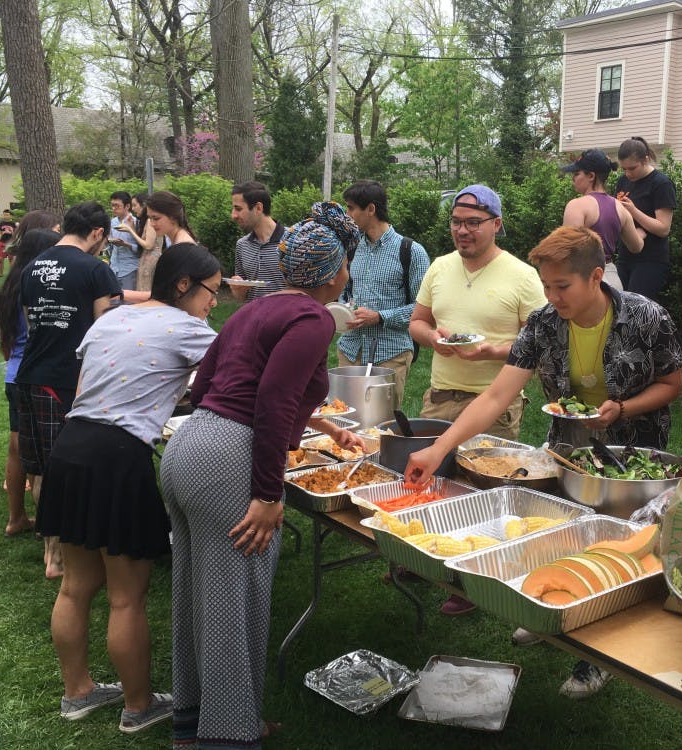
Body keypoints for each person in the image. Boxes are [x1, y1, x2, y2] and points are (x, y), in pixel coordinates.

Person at [406, 225, 682, 691]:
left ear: (595, 276)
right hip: (568, 450)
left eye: (562, 286)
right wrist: (440, 447)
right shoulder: (542, 323)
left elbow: (672, 384)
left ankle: (596, 655)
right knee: (567, 538)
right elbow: (497, 395)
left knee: (615, 553)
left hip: (633, 459)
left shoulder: (645, 316)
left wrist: (622, 409)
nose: (552, 297)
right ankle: (554, 608)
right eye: (546, 286)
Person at [160, 203, 365, 749]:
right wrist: (268, 494)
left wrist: (320, 422)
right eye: (346, 264)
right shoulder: (313, 319)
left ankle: (193, 724)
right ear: (333, 273)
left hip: (188, 448)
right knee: (234, 602)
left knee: (194, 595)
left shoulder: (255, 309)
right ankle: (229, 735)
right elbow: (272, 403)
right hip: (230, 458)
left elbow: (209, 385)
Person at [37, 245, 220, 733]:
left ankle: (77, 692)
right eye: (212, 290)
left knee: (75, 586)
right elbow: (236, 382)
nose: (214, 302)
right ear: (184, 285)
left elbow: (89, 385)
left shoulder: (112, 317)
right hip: (118, 458)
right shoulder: (190, 330)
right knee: (126, 597)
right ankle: (139, 706)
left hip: (70, 447)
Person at [17, 202, 122, 578]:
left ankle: (52, 549)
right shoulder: (96, 269)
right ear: (97, 233)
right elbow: (106, 331)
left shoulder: (32, 266)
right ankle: (59, 556)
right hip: (67, 379)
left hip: (30, 375)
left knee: (40, 468)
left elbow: (31, 322)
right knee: (63, 467)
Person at [409, 184, 546, 443]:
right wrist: (432, 338)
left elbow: (540, 343)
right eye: (456, 222)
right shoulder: (439, 267)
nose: (462, 231)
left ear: (496, 224)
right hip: (439, 400)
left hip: (495, 406)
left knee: (483, 470)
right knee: (431, 467)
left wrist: (493, 352)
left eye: (473, 223)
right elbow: (417, 322)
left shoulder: (523, 276)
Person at [0, 218, 62, 537]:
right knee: (39, 452)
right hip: (35, 375)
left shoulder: (12, 283)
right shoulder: (38, 286)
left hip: (14, 373)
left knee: (18, 447)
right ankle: (46, 526)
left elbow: (6, 339)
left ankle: (16, 518)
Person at [339, 179, 430, 408]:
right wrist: (342, 310)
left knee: (382, 421)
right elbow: (345, 293)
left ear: (371, 209)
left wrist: (379, 317)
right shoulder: (352, 248)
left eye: (351, 208)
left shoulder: (411, 251)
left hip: (391, 352)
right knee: (344, 418)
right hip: (350, 350)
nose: (347, 214)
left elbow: (425, 309)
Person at [561, 149, 645, 292]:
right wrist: (640, 234)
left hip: (586, 279)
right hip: (612, 281)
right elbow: (636, 247)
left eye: (576, 174)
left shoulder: (577, 205)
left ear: (591, 176)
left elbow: (567, 250)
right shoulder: (620, 207)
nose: (573, 179)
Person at [613, 136, 677, 300]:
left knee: (635, 308)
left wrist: (633, 211)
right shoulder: (623, 181)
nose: (628, 173)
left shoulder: (661, 184)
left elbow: (663, 228)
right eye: (624, 169)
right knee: (619, 307)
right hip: (625, 257)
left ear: (645, 160)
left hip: (650, 260)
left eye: (632, 168)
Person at [229, 181, 285, 301]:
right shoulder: (242, 245)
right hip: (253, 313)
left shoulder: (292, 241)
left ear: (258, 208)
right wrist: (238, 290)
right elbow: (241, 298)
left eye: (238, 209)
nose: (233, 215)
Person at [114, 193, 164, 292]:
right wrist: (132, 227)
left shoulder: (150, 221)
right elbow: (141, 241)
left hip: (150, 261)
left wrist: (130, 230)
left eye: (135, 205)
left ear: (144, 205)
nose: (133, 209)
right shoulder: (145, 221)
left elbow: (148, 245)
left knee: (146, 290)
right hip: (144, 260)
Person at [108, 191, 141, 291]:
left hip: (129, 268)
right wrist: (109, 241)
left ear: (127, 206)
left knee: (128, 299)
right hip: (114, 267)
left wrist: (126, 244)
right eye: (112, 205)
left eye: (117, 206)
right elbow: (108, 241)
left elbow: (142, 248)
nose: (114, 208)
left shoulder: (136, 223)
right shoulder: (112, 222)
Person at [0, 208, 17, 277]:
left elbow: (15, 234)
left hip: (10, 242)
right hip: (2, 242)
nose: (6, 216)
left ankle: (11, 274)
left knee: (11, 258)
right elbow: (0, 233)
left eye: (7, 215)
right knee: (0, 259)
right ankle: (0, 273)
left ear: (10, 215)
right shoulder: (1, 223)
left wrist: (11, 232)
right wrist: (4, 232)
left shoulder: (13, 223)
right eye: (4, 215)